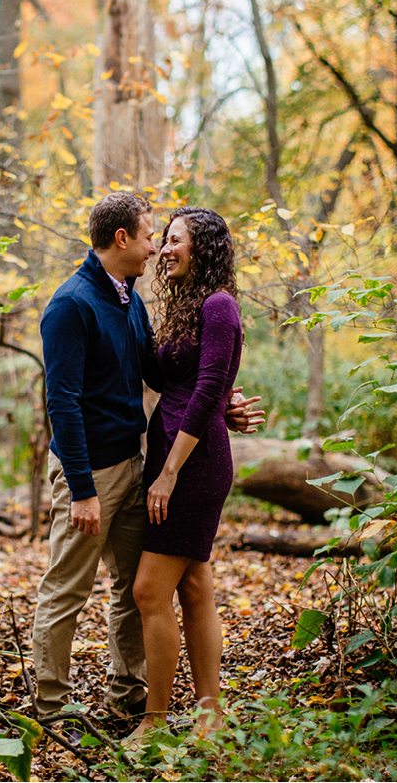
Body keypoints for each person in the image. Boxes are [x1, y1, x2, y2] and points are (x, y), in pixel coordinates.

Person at [32, 192, 261, 726]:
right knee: (69, 587)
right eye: (152, 235)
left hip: (141, 466)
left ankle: (131, 696)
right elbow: (61, 402)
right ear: (122, 239)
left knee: (136, 589)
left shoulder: (131, 302)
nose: (157, 247)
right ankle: (49, 708)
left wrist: (220, 403)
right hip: (89, 469)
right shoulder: (72, 304)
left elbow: (182, 380)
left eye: (169, 237)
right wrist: (83, 487)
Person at [129, 206, 248, 738]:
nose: (166, 249)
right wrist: (127, 302)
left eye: (175, 239)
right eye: (165, 239)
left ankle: (156, 722)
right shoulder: (185, 308)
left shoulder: (220, 305)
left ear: (204, 248)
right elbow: (164, 376)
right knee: (195, 587)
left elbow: (207, 388)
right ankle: (208, 715)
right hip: (171, 454)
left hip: (192, 464)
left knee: (149, 592)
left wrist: (169, 471)